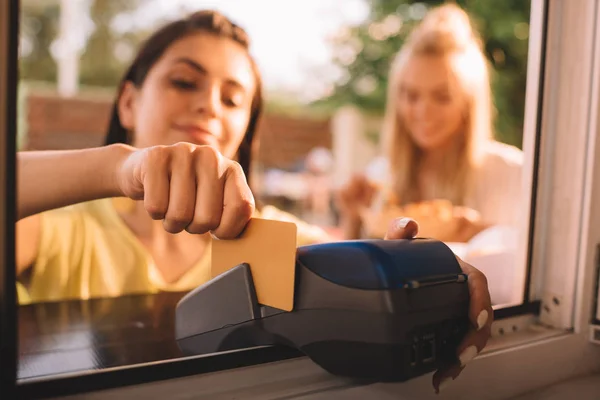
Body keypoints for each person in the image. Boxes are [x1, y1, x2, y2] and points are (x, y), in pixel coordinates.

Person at [15, 10, 491, 392]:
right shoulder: (58, 226)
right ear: (127, 103)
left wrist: (433, 272)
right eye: (184, 82)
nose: (209, 105)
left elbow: (366, 265)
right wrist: (118, 167)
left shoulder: (279, 240)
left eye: (233, 98)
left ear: (244, 132)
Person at [337, 3, 524, 243]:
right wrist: (353, 218)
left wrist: (485, 236)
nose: (423, 112)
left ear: (467, 102)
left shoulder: (513, 175)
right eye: (412, 96)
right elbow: (358, 274)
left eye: (442, 97)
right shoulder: (381, 176)